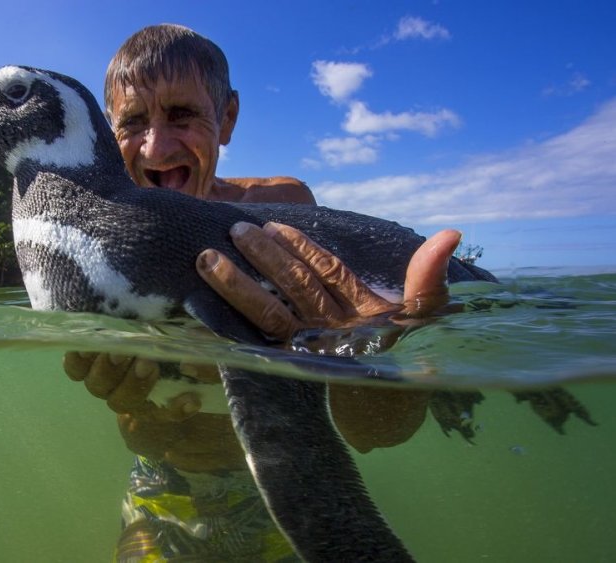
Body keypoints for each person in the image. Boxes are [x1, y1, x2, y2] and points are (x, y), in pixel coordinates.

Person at [63, 24, 457, 561]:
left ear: (226, 118)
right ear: (111, 134)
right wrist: (143, 411)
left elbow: (372, 431)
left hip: (272, 488)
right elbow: (145, 440)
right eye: (132, 122)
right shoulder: (101, 248)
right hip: (163, 490)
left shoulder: (284, 208)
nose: (155, 146)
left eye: (182, 115)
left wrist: (366, 343)